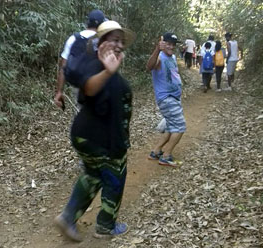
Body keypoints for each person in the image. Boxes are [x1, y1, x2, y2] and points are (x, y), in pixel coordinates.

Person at [54, 20, 136, 241]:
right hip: (99, 137)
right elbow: (90, 89)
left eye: (121, 41)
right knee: (115, 175)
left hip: (84, 134)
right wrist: (109, 72)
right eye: (113, 39)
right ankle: (106, 226)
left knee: (93, 174)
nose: (119, 45)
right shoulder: (97, 65)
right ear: (101, 42)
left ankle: (68, 217)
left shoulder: (101, 64)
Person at [146, 32, 186, 167]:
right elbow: (149, 66)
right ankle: (166, 156)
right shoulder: (160, 57)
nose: (171, 47)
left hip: (174, 98)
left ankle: (156, 151)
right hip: (167, 98)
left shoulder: (173, 57)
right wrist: (157, 49)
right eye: (168, 44)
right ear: (163, 44)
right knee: (180, 127)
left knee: (171, 126)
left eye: (173, 44)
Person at [54, 9, 106, 110]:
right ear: (101, 25)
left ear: (87, 23)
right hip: (99, 83)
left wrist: (59, 91)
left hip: (79, 86)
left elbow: (63, 67)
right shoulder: (103, 40)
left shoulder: (73, 38)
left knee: (82, 113)